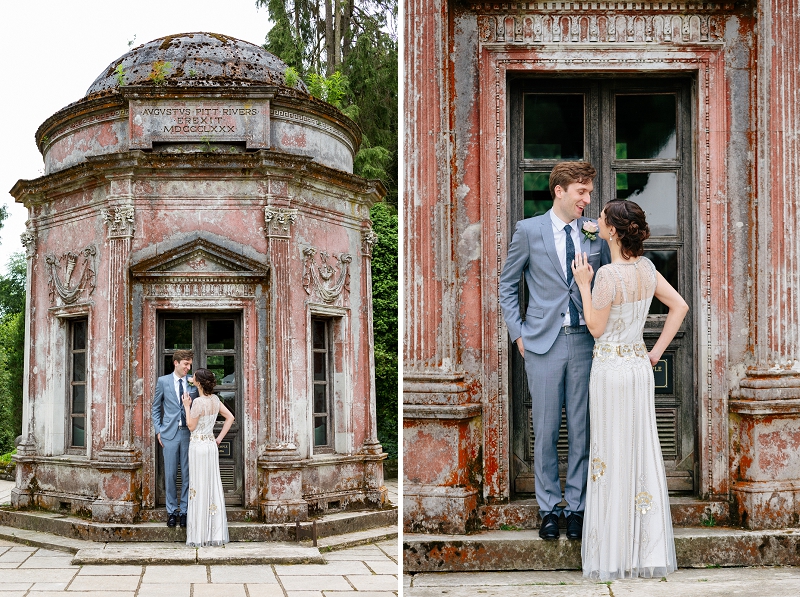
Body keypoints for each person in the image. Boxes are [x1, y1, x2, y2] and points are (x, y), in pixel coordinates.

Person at [572, 199, 688, 580]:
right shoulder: (647, 269)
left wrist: (584, 286)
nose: (597, 221)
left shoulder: (606, 275)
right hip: (638, 367)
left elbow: (595, 328)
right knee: (639, 452)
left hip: (609, 369)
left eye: (602, 218)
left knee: (610, 454)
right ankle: (642, 547)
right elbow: (680, 307)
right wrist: (654, 353)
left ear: (612, 230)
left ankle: (612, 551)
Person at [499, 161, 611, 541]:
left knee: (582, 428)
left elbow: (608, 284)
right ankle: (549, 509)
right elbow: (508, 285)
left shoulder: (594, 233)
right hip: (542, 343)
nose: (588, 199)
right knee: (545, 430)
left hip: (585, 342)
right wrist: (519, 335)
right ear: (559, 191)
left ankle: (577, 508)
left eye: (589, 192)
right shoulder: (528, 231)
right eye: (582, 191)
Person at [182, 368, 234, 547]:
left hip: (198, 446)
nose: (192, 378)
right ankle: (214, 531)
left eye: (194, 376)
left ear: (199, 382)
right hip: (211, 445)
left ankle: (198, 534)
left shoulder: (197, 402)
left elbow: (190, 426)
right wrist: (219, 438)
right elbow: (230, 417)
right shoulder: (215, 400)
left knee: (198, 486)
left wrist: (187, 407)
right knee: (211, 485)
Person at [152, 349, 198, 528]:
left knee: (187, 475)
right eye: (186, 364)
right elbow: (155, 408)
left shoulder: (192, 383)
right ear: (176, 363)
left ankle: (185, 511)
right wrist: (159, 430)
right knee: (170, 475)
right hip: (169, 434)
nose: (188, 368)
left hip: (188, 433)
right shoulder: (163, 381)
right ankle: (172, 512)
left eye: (190, 364)